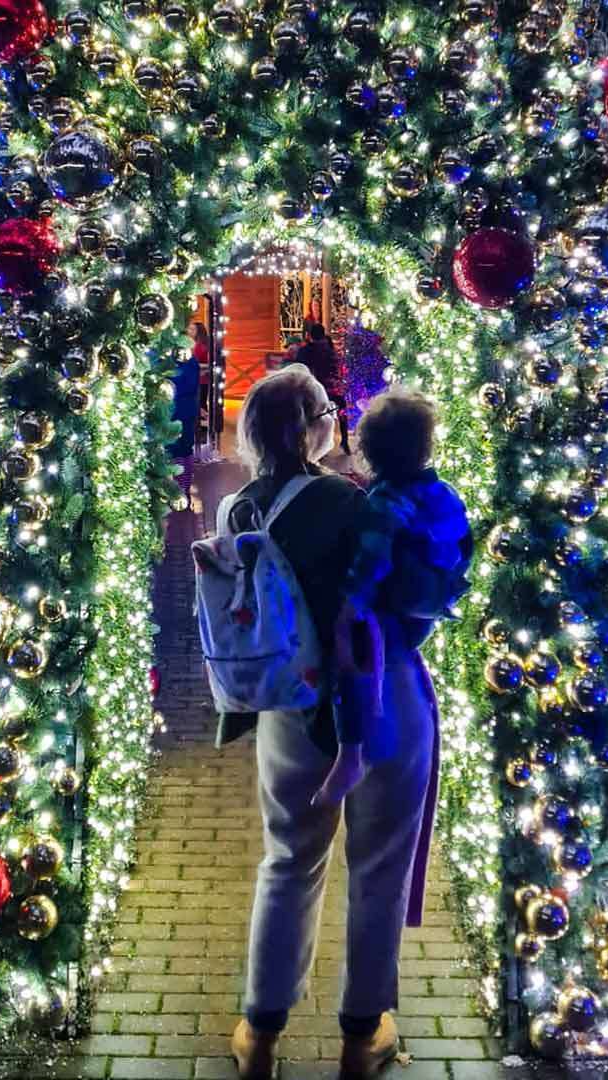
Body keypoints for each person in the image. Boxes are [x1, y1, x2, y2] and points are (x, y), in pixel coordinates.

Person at [219, 365, 439, 1080]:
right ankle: (361, 1033)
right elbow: (411, 601)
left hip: (291, 706)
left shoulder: (237, 510)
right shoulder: (352, 503)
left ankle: (260, 1031)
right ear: (313, 424)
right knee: (378, 867)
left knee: (288, 860)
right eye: (326, 411)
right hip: (385, 701)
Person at [312, 388, 473, 809]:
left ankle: (351, 751)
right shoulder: (445, 493)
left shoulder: (384, 501)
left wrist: (350, 605)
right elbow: (465, 545)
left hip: (394, 610)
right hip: (430, 607)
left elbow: (373, 559)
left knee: (349, 660)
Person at [294, 323, 351, 455]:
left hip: (316, 388)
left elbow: (300, 367)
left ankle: (308, 444)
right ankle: (344, 440)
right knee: (342, 408)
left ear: (310, 336)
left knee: (306, 411)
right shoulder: (330, 349)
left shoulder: (308, 350)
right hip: (335, 389)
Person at [188, 318, 211, 442]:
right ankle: (201, 430)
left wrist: (195, 366)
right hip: (198, 380)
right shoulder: (195, 345)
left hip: (201, 381)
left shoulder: (200, 346)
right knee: (200, 405)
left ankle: (203, 431)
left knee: (201, 405)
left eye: (192, 329)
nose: (189, 331)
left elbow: (206, 364)